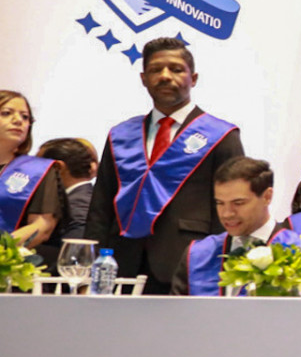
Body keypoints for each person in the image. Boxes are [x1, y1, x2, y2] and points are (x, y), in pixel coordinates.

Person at [86, 37, 246, 293]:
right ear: (143, 78)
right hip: (121, 262)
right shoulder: (121, 135)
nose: (165, 76)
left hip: (190, 262)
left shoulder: (222, 136)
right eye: (155, 70)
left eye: (176, 69)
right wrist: (90, 266)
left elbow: (232, 208)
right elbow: (101, 206)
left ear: (193, 78)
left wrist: (221, 265)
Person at [171, 159, 301, 295]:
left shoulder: (299, 250)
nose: (226, 214)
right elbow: (177, 309)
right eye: (220, 203)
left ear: (267, 197)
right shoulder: (198, 255)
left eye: (238, 203)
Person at [0, 91, 62, 248]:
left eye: (25, 117)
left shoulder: (37, 170)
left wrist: (3, 248)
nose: (18, 120)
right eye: (6, 113)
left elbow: (42, 226)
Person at [35, 136, 96, 266]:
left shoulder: (79, 205)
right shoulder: (85, 198)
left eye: (39, 166)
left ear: (58, 167)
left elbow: (73, 258)